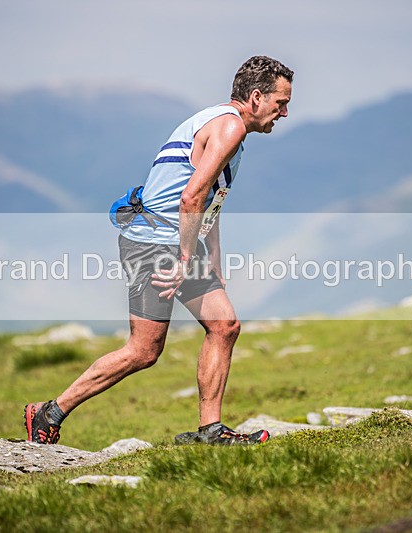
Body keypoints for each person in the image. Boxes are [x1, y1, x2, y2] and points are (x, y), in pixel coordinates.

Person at [24, 55, 293, 446]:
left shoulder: (225, 125)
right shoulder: (230, 127)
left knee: (224, 325)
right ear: (255, 97)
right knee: (143, 350)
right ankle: (48, 413)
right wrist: (185, 260)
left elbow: (208, 200)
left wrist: (211, 259)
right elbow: (191, 198)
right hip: (153, 243)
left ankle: (210, 431)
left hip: (176, 239)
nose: (284, 112)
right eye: (280, 102)